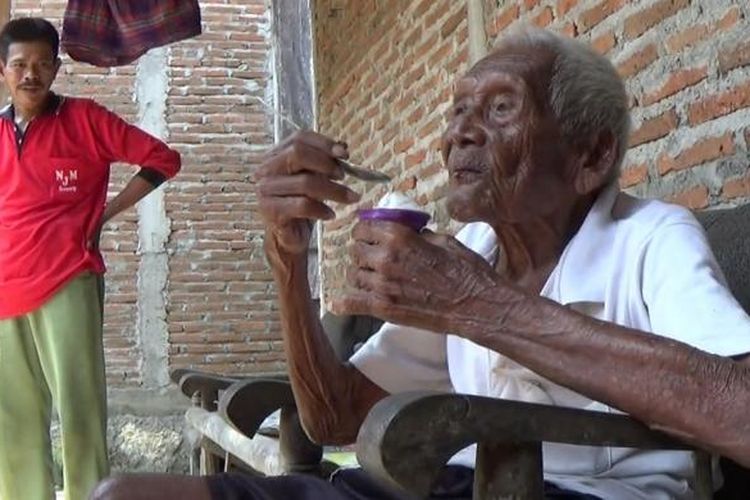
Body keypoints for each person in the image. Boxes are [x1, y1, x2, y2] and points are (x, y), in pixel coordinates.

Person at [90, 27, 750, 500]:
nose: (460, 132)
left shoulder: (652, 238)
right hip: (436, 484)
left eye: (500, 109)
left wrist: (479, 305)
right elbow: (333, 419)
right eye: (459, 110)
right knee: (121, 493)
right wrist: (286, 261)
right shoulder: (475, 257)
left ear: (590, 157)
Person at [0, 17, 181, 500]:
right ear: (3, 70)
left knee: (79, 414)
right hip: (4, 292)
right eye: (19, 65)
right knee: (11, 423)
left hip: (68, 280)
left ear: (57, 68)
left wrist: (106, 213)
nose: (30, 75)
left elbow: (163, 158)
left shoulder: (86, 120)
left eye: (41, 64)